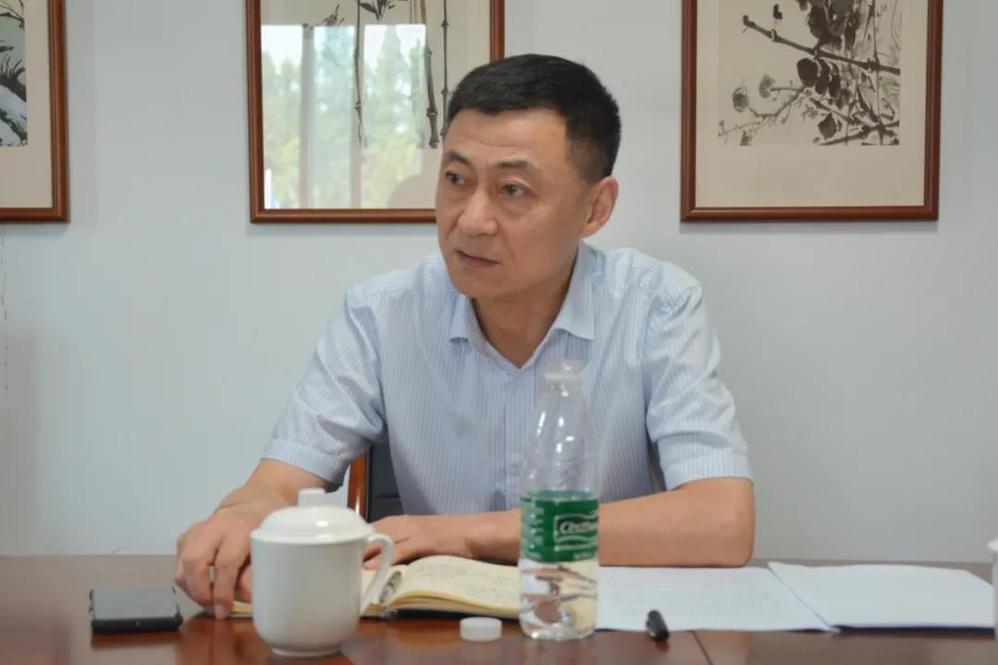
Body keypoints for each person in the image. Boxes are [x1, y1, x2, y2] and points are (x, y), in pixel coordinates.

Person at [175, 54, 754, 620]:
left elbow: (723, 522)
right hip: (432, 638)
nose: (471, 220)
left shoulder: (657, 306)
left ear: (594, 209)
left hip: (590, 629)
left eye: (513, 190)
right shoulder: (381, 315)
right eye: (456, 180)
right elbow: (276, 483)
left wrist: (469, 534)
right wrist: (241, 515)